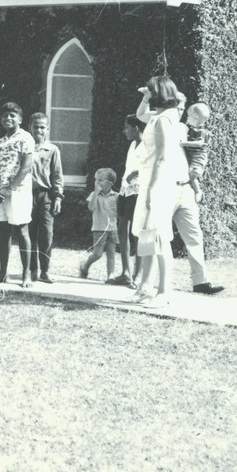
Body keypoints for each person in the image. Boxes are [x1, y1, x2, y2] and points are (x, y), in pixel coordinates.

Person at [129, 77, 184, 308]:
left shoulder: (164, 120)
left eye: (150, 91)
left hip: (159, 183)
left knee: (160, 236)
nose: (147, 93)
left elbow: (162, 159)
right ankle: (145, 287)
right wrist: (144, 96)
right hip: (151, 181)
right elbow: (140, 115)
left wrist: (151, 190)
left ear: (159, 93)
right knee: (147, 233)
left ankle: (164, 291)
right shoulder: (158, 117)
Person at [174, 98, 224, 295]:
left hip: (186, 187)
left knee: (195, 235)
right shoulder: (177, 128)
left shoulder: (196, 131)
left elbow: (199, 151)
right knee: (156, 233)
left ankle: (200, 281)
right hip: (171, 186)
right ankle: (143, 278)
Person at [0, 101, 34, 286]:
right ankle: (2, 273)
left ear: (20, 119)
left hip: (18, 191)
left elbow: (26, 166)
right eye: (5, 115)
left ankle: (26, 274)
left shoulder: (26, 138)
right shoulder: (0, 141)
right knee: (3, 231)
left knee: (22, 231)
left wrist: (10, 188)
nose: (8, 118)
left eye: (12, 115)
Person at [27, 113, 62, 283]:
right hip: (27, 195)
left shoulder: (53, 149)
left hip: (45, 196)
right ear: (30, 128)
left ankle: (45, 270)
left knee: (47, 235)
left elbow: (57, 175)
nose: (39, 130)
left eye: (42, 127)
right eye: (36, 127)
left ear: (47, 129)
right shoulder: (26, 147)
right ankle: (32, 269)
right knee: (29, 234)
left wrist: (58, 198)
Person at [116, 115, 143, 286]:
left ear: (136, 128)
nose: (125, 131)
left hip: (139, 192)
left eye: (127, 127)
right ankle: (125, 272)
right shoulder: (132, 145)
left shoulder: (148, 145)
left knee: (137, 233)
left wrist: (137, 173)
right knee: (121, 229)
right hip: (125, 191)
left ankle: (138, 274)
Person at [79, 168, 120, 282]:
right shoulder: (94, 194)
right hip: (99, 228)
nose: (97, 182)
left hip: (112, 228)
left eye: (100, 180)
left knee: (111, 253)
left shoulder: (116, 196)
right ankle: (85, 266)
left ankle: (110, 276)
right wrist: (96, 193)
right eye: (96, 179)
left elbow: (118, 213)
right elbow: (91, 208)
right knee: (97, 254)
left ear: (110, 183)